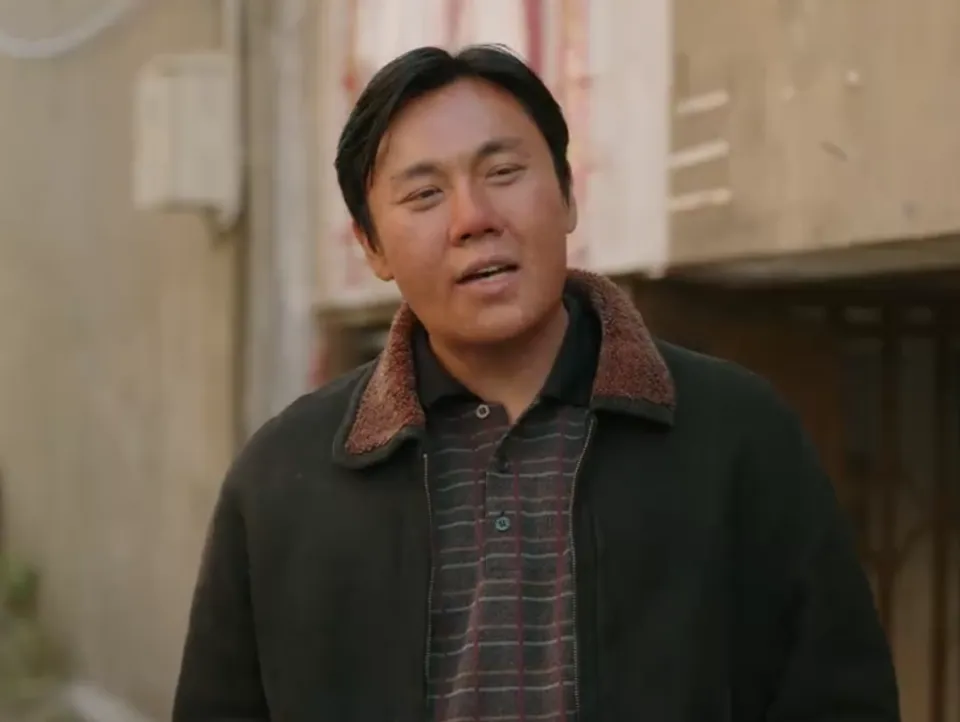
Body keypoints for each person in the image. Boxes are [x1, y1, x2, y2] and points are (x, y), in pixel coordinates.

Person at [173, 45, 900, 722]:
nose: (474, 219)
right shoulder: (283, 481)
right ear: (371, 247)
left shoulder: (735, 435)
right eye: (424, 194)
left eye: (503, 172)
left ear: (568, 194)